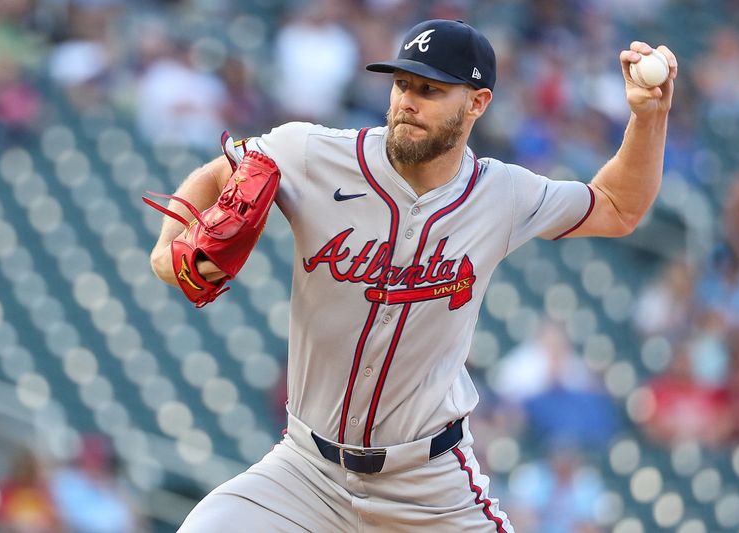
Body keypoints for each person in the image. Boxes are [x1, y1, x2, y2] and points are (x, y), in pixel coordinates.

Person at [149, 19, 677, 533]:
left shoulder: (502, 195)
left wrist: (648, 119)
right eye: (402, 83)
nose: (407, 100)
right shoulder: (312, 153)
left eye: (430, 89)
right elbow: (222, 170)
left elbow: (616, 206)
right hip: (305, 471)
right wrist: (163, 250)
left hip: (428, 488)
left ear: (477, 102)